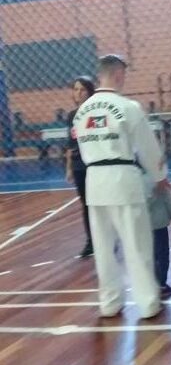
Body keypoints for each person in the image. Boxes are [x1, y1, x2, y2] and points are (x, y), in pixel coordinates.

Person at [73, 54, 167, 319]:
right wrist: (159, 174)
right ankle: (147, 302)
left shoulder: (82, 111)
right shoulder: (128, 107)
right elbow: (148, 147)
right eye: (123, 75)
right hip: (123, 178)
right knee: (137, 245)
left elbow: (82, 145)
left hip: (95, 181)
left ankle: (110, 302)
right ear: (117, 74)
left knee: (103, 248)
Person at [65, 76, 96, 258]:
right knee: (86, 204)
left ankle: (109, 237)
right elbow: (70, 144)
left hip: (94, 164)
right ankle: (91, 241)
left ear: (90, 92)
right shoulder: (72, 116)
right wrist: (69, 167)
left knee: (100, 203)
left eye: (82, 89)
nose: (78, 93)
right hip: (79, 165)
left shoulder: (96, 112)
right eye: (75, 89)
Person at [142, 165, 171, 299]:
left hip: (143, 225)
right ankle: (162, 284)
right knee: (163, 255)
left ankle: (152, 283)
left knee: (150, 255)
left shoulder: (137, 180)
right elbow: (170, 200)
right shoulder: (160, 179)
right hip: (159, 225)